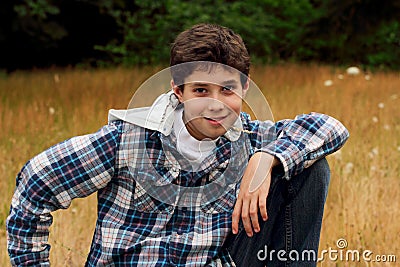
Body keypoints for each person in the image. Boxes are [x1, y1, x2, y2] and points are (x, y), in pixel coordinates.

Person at [7, 23, 349, 266]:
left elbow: (330, 127)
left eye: (227, 90)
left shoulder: (250, 136)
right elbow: (36, 182)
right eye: (201, 90)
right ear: (178, 91)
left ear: (245, 88)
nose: (215, 104)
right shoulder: (127, 141)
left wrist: (266, 156)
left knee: (310, 165)